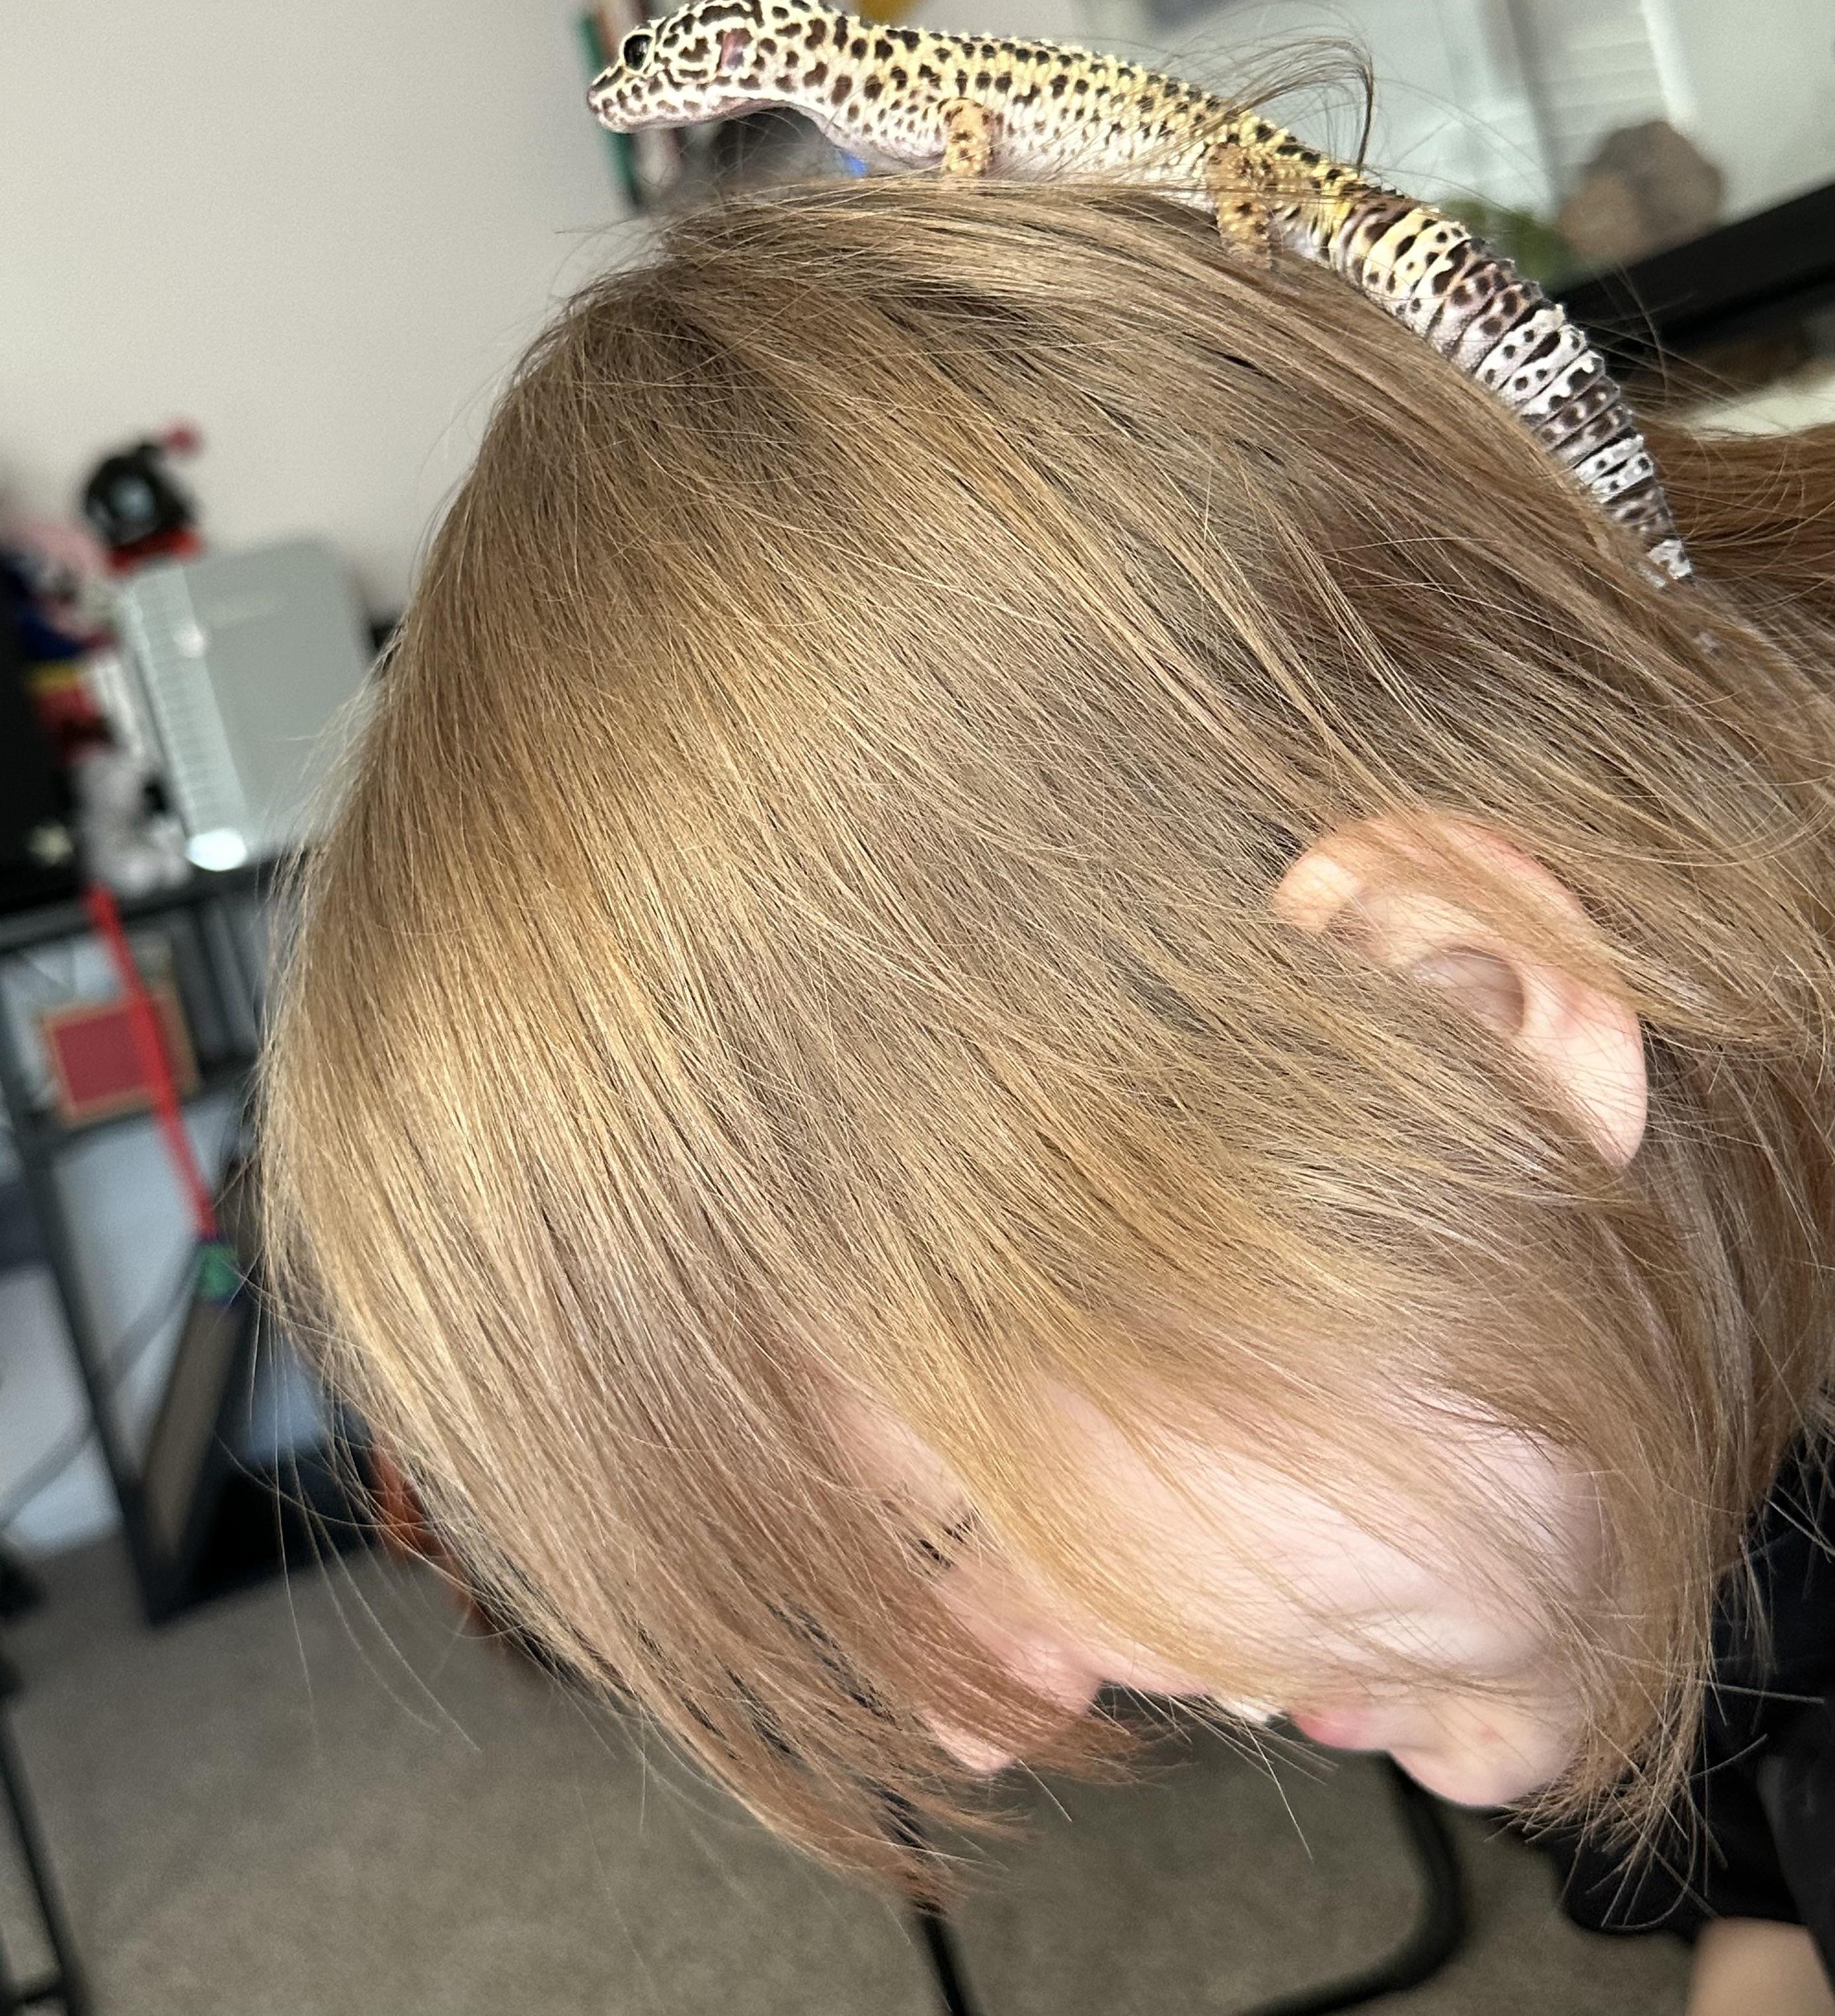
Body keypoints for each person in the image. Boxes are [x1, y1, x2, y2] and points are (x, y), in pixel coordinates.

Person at [258, 163, 1835, 2013]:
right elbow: (1758, 1859)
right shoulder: (1596, 1410)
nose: (984, 1720)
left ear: (1462, 1021)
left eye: (962, 1525)